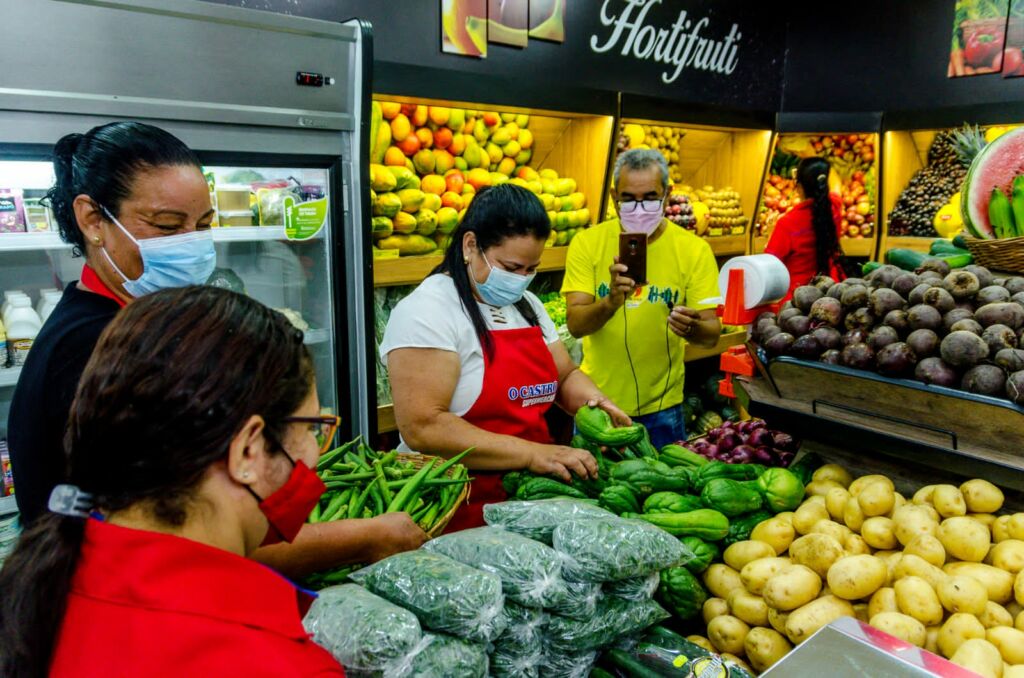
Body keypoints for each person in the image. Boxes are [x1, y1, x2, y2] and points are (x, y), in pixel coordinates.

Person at [8, 121, 424, 576]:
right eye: (167, 225)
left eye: (203, 225)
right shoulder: (93, 348)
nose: (193, 244)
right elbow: (192, 534)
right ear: (92, 220)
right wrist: (364, 535)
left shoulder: (142, 326)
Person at [0, 287, 344, 676]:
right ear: (248, 450)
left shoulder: (48, 584)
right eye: (314, 428)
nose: (316, 453)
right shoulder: (273, 662)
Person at [381, 183, 631, 531]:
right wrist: (532, 453)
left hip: (530, 497)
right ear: (471, 245)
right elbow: (425, 426)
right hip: (453, 505)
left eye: (531, 270)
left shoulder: (528, 307)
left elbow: (565, 375)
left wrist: (596, 404)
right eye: (511, 267)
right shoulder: (427, 311)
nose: (520, 281)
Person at [561, 149, 722, 448]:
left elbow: (711, 335)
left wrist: (692, 327)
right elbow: (575, 325)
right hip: (598, 406)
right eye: (628, 198)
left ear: (667, 194)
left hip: (664, 408)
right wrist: (610, 302)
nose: (639, 207)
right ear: (613, 197)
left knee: (665, 493)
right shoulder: (587, 244)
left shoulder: (693, 250)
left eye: (649, 197)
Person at [765, 156, 846, 302]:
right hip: (833, 294)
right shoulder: (834, 206)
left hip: (799, 301)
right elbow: (837, 184)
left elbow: (769, 265)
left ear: (799, 187)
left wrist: (771, 235)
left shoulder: (787, 223)